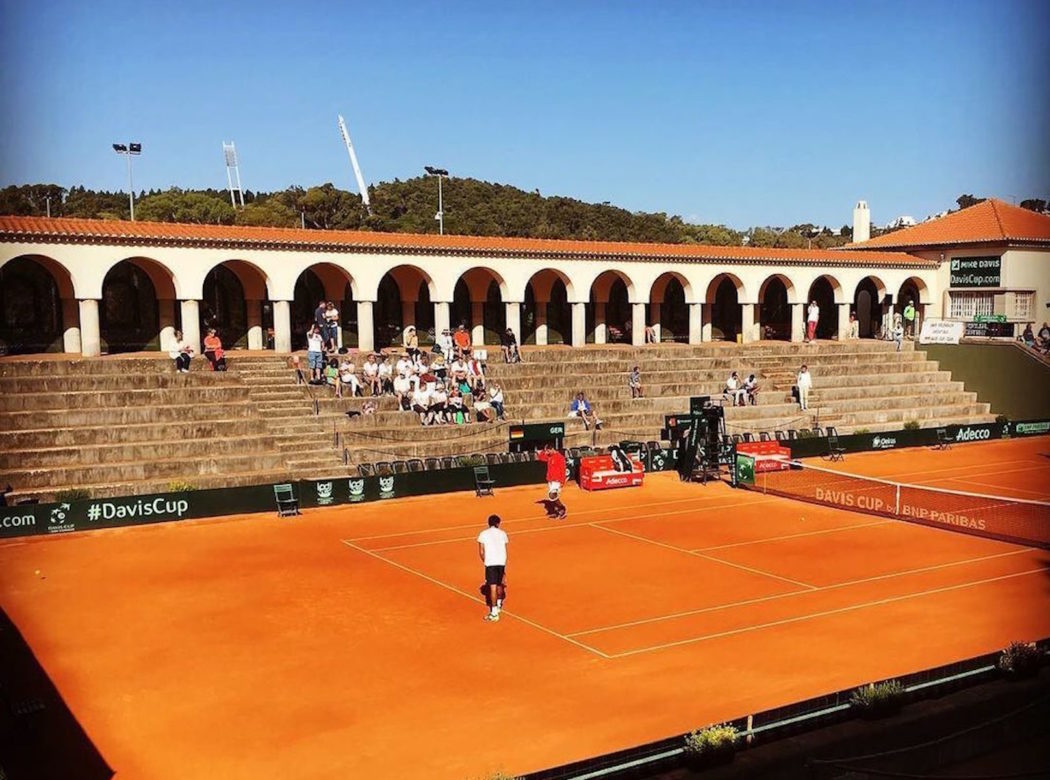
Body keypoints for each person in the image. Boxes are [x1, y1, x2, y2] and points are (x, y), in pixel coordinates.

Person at [477, 514, 509, 622]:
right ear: (497, 523)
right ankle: (499, 605)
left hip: (491, 563)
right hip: (501, 562)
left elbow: (481, 552)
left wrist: (486, 561)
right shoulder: (503, 533)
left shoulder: (483, 534)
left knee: (493, 587)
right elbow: (504, 548)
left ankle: (494, 613)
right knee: (500, 584)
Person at [537, 445, 568, 519]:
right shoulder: (549, 456)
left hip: (557, 480)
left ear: (552, 449)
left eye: (548, 451)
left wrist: (562, 481)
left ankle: (562, 508)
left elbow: (563, 470)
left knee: (552, 495)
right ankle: (556, 511)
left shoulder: (560, 458)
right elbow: (541, 458)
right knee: (552, 496)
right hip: (550, 480)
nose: (547, 452)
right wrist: (541, 452)